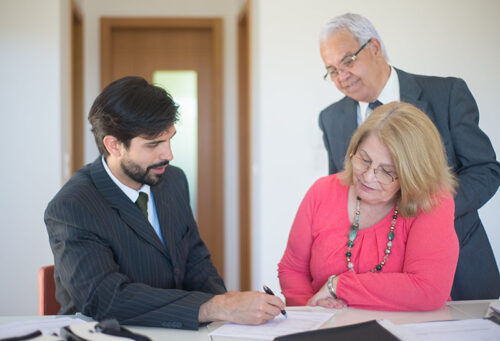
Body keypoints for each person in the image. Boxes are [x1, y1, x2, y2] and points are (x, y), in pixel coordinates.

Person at [44, 76, 284, 330]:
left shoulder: (173, 180)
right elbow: (105, 299)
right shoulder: (72, 206)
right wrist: (216, 307)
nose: (168, 154)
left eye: (170, 139)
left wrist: (228, 309)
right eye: (153, 144)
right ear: (114, 145)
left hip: (174, 331)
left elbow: (194, 259)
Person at [318, 13, 500, 300]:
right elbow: (341, 194)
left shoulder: (447, 94)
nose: (341, 77)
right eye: (331, 70)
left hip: (459, 272)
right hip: (373, 282)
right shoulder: (332, 119)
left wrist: (432, 211)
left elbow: (485, 171)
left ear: (374, 47)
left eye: (347, 61)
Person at [279, 102, 459, 311]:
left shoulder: (433, 201)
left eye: (386, 171)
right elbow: (292, 270)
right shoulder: (322, 192)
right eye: (364, 159)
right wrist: (312, 309)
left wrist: (338, 286)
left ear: (413, 175)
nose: (368, 176)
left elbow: (427, 290)